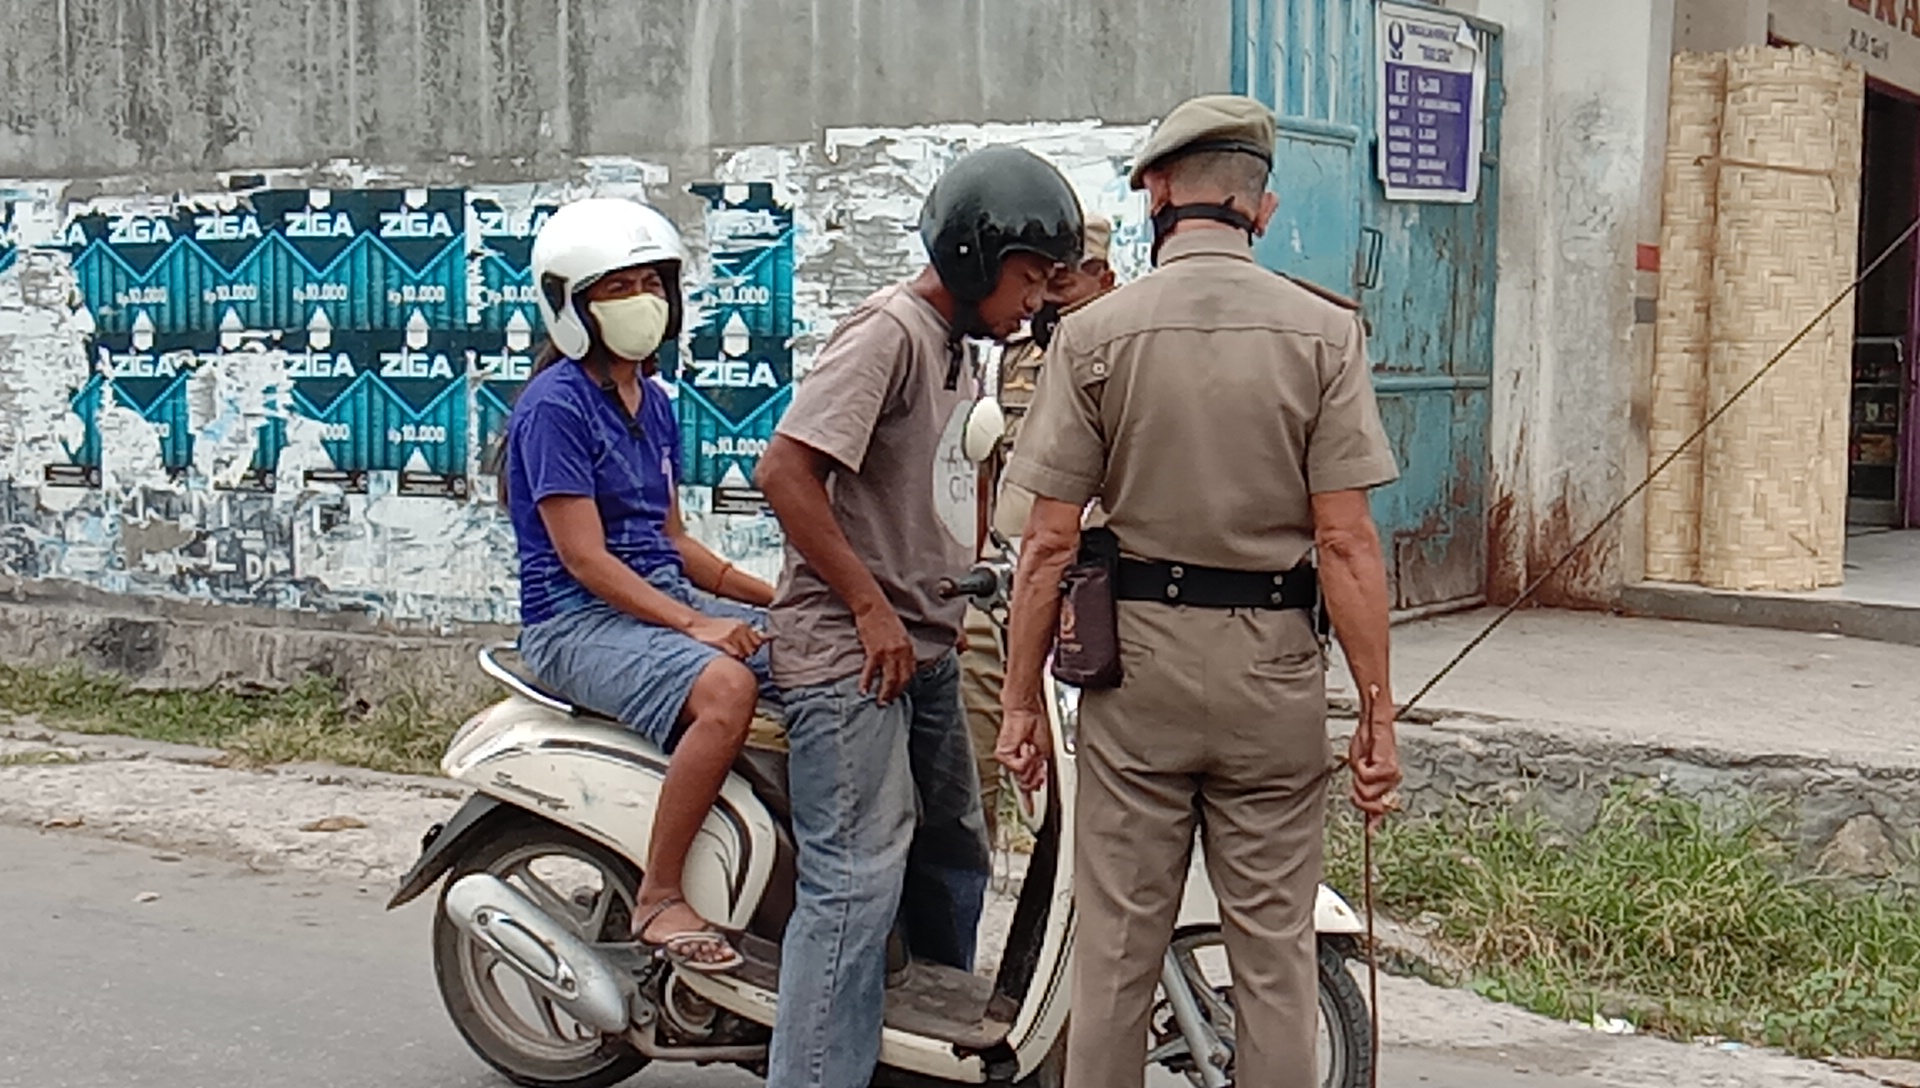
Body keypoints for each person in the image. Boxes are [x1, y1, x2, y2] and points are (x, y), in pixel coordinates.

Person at [994, 95, 1405, 1088]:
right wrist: (1378, 711)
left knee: (1118, 952)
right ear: (1259, 211)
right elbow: (1346, 543)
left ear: (1156, 193)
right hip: (1273, 674)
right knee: (1273, 953)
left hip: (1136, 673)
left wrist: (1018, 701)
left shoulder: (1095, 336)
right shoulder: (1325, 334)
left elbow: (1049, 544)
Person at [753, 145, 1084, 1088]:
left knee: (953, 857)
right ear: (978, 256)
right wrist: (869, 606)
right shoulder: (888, 335)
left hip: (922, 648)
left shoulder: (959, 351)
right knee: (857, 881)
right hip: (851, 656)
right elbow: (785, 473)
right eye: (1027, 277)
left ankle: (919, 1054)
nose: (1034, 299)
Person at [503, 196, 778, 973]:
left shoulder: (653, 402)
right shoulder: (554, 408)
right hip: (574, 624)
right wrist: (697, 629)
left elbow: (672, 540)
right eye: (617, 290)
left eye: (652, 284)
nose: (641, 303)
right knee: (726, 688)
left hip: (655, 603)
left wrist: (777, 598)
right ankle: (659, 895)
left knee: (819, 652)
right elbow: (585, 560)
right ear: (570, 306)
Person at [958, 213, 1117, 843]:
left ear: (1101, 277)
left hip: (1088, 599)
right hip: (1001, 585)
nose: (1043, 299)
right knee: (972, 773)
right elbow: (983, 472)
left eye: (1061, 282)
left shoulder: (1128, 355)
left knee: (1078, 790)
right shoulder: (1007, 361)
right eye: (1038, 281)